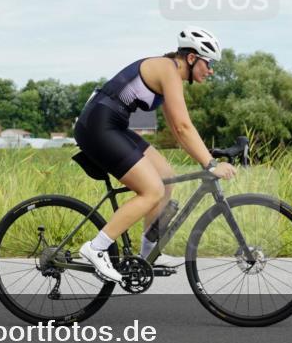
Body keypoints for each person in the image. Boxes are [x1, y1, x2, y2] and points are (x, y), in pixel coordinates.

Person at [74, 26, 237, 282]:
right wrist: (210, 164)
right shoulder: (167, 70)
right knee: (152, 190)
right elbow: (183, 127)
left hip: (112, 125)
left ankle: (149, 253)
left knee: (166, 177)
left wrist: (206, 156)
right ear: (191, 58)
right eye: (209, 63)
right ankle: (97, 248)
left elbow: (178, 130)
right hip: (98, 127)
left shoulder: (169, 75)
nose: (211, 70)